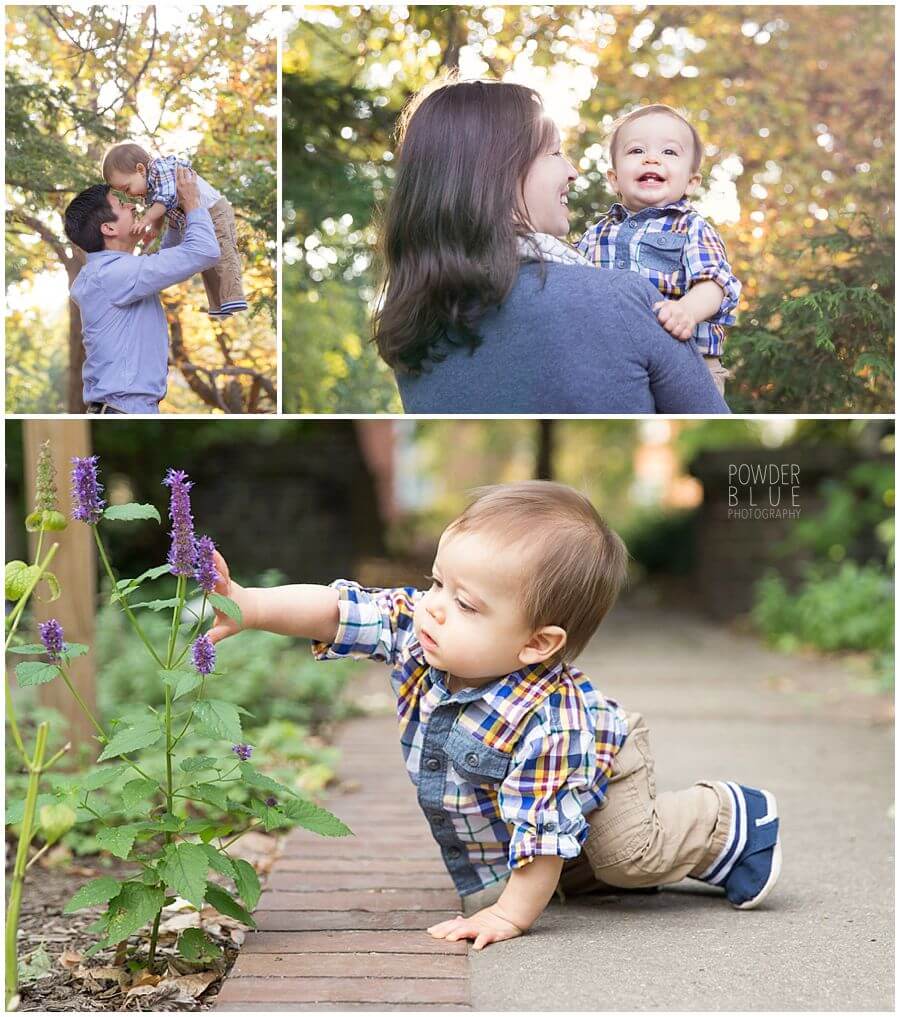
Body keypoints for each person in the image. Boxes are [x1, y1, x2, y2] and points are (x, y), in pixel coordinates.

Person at [206, 480, 781, 951]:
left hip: (603, 762)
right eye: (437, 580)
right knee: (565, 873)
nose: (432, 604)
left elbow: (541, 825)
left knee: (626, 857)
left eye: (465, 602)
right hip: (546, 786)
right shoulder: (424, 625)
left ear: (536, 644)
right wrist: (251, 604)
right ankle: (590, 868)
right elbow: (340, 611)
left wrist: (508, 917)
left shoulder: (548, 726)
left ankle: (726, 819)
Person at [373, 80, 730, 414]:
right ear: (501, 170)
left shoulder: (412, 333)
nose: (573, 171)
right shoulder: (620, 299)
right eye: (556, 152)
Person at [578, 105, 741, 395]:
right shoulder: (595, 236)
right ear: (614, 178)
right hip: (615, 366)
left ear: (691, 182)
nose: (651, 158)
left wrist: (687, 311)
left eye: (669, 152)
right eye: (636, 151)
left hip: (690, 364)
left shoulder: (691, 228)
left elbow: (715, 284)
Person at [63, 168, 220, 414]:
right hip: (124, 410)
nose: (132, 205)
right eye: (121, 204)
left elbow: (170, 261)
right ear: (109, 229)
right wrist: (192, 203)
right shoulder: (115, 275)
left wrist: (173, 215)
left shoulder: (108, 273)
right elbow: (203, 251)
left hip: (121, 408)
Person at [102, 142, 248, 320]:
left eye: (127, 188)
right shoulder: (148, 188)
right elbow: (161, 208)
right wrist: (155, 227)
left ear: (140, 169)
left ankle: (233, 296)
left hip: (214, 211)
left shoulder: (160, 169)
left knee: (223, 252)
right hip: (188, 219)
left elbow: (165, 199)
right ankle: (219, 304)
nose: (130, 195)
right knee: (205, 263)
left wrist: (147, 219)